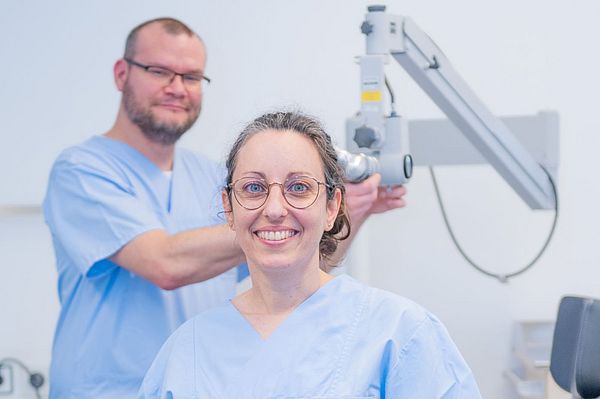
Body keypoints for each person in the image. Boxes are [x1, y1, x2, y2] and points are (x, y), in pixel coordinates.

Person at [43, 18, 406, 399]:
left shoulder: (214, 177)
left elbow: (298, 272)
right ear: (121, 73)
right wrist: (295, 215)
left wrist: (348, 211)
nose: (176, 87)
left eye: (191, 77)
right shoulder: (81, 171)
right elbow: (164, 264)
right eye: (160, 71)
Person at [138, 111, 482, 399]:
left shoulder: (398, 333)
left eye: (298, 188)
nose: (274, 209)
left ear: (332, 207)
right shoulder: (189, 351)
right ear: (229, 208)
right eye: (254, 188)